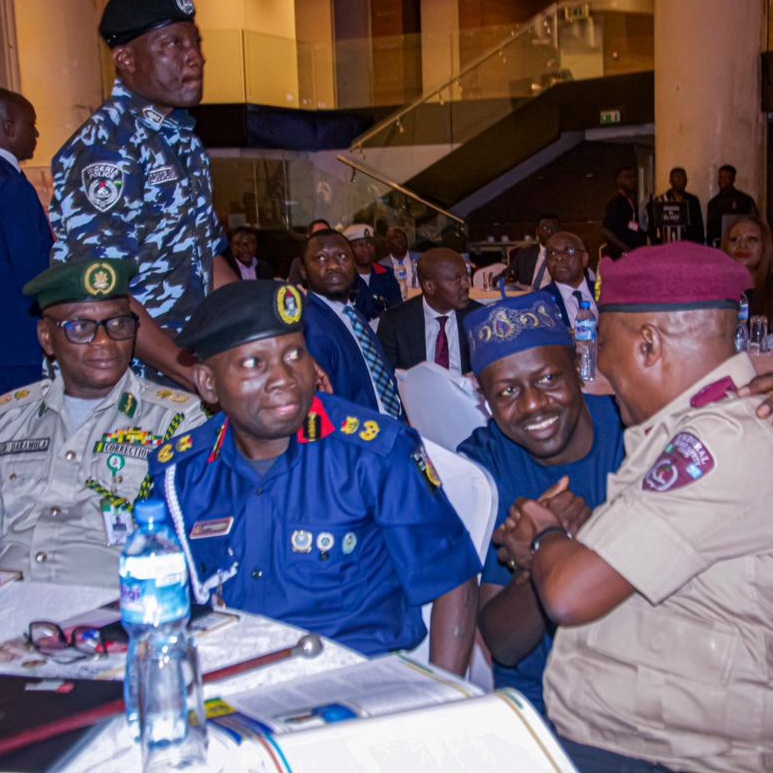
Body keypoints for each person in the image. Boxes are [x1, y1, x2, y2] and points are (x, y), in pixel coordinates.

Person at [500, 242, 773, 772]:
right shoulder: (692, 427)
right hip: (634, 741)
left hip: (667, 757)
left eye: (603, 345)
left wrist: (543, 535)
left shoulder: (721, 441)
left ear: (648, 344)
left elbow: (571, 595)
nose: (598, 372)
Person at [149, 280, 480, 673]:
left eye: (295, 354)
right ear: (208, 383)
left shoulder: (374, 455)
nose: (284, 378)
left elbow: (453, 580)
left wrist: (444, 703)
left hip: (354, 681)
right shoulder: (181, 473)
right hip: (227, 680)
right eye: (254, 363)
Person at [48, 0, 232, 390]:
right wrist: (188, 372)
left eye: (195, 43)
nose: (195, 58)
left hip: (190, 371)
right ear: (126, 59)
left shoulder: (182, 141)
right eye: (172, 44)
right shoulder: (107, 148)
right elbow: (104, 288)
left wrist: (264, 338)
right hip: (132, 388)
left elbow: (209, 259)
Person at [458, 292, 624, 715]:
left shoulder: (631, 431)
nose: (533, 404)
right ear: (486, 402)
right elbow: (504, 646)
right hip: (542, 696)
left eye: (549, 378)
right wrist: (541, 558)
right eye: (507, 392)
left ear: (577, 367)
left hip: (639, 682)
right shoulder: (483, 470)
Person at [0, 258, 206, 587]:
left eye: (119, 325)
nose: (105, 341)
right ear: (47, 338)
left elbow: (190, 541)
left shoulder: (177, 421)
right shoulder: (9, 418)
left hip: (111, 611)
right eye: (81, 327)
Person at [301, 228, 403, 418]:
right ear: (304, 271)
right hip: (361, 436)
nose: (333, 265)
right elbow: (325, 408)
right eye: (321, 258)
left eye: (341, 256)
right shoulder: (309, 325)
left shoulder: (351, 313)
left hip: (391, 425)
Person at [0, 89, 53, 394]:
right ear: (8, 128)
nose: (36, 133)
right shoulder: (12, 188)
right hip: (17, 344)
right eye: (31, 124)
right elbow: (33, 276)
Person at [377, 248, 482, 375]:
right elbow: (388, 377)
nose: (466, 285)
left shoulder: (480, 317)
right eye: (457, 279)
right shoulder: (394, 323)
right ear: (429, 286)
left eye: (466, 277)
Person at [343, 223, 401, 325]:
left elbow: (397, 309)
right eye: (360, 245)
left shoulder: (386, 274)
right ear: (349, 249)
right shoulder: (344, 279)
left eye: (370, 244)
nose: (366, 249)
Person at [541, 231, 597, 329]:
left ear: (584, 258)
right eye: (552, 253)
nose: (558, 258)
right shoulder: (541, 301)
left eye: (569, 251)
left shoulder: (606, 292)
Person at [647, 167, 704, 245]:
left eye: (683, 177)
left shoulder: (692, 201)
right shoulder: (660, 201)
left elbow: (699, 227)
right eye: (677, 177)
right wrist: (657, 244)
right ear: (670, 181)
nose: (681, 180)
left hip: (687, 247)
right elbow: (652, 227)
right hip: (666, 247)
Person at [706, 164, 758, 247]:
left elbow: (754, 223)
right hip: (718, 246)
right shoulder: (713, 203)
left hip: (740, 245)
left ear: (733, 179)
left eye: (727, 177)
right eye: (721, 177)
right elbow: (710, 230)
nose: (723, 180)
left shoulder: (745, 200)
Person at [601, 165, 647, 259]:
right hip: (621, 255)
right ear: (618, 181)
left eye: (633, 177)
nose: (631, 180)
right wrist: (625, 248)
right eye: (627, 178)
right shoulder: (616, 202)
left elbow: (628, 224)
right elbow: (606, 230)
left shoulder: (630, 201)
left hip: (634, 251)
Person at [511, 213, 560, 289]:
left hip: (552, 298)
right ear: (537, 231)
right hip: (528, 297)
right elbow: (507, 275)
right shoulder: (525, 254)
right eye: (544, 228)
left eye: (552, 229)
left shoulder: (564, 256)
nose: (548, 232)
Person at [379, 225, 420, 300]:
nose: (400, 240)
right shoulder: (381, 266)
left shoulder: (420, 258)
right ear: (387, 244)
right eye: (395, 238)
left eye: (402, 237)